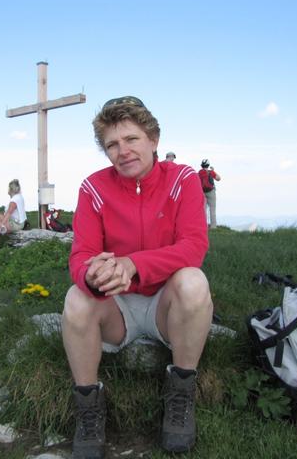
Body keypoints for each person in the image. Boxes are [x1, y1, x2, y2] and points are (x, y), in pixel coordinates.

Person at [62, 96, 213, 458]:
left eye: (132, 139)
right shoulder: (93, 188)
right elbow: (80, 256)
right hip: (117, 309)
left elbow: (194, 246)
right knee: (75, 297)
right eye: (112, 144)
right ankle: (88, 408)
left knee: (194, 281)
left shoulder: (183, 179)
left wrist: (134, 264)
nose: (123, 151)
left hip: (166, 305)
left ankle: (180, 394)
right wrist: (93, 275)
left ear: (153, 139)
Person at [0, 179, 27, 255]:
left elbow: (9, 213)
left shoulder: (14, 200)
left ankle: (1, 228)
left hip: (15, 224)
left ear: (11, 189)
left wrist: (2, 224)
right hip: (17, 222)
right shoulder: (19, 197)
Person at [198, 159, 221, 229]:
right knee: (212, 210)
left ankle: (204, 226)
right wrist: (213, 170)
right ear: (208, 165)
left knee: (203, 210)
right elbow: (218, 178)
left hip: (202, 192)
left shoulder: (199, 172)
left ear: (202, 165)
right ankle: (213, 227)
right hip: (211, 192)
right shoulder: (211, 172)